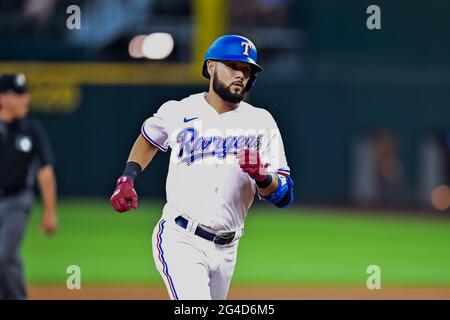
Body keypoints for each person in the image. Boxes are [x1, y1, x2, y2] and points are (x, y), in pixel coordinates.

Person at [110, 35, 294, 300]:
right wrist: (127, 178)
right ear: (210, 67)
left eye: (246, 69)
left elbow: (284, 195)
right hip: (181, 237)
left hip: (229, 248)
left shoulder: (261, 122)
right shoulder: (178, 111)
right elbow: (148, 138)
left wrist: (262, 176)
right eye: (232, 66)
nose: (240, 74)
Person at [0, 73, 58, 300]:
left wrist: (50, 211)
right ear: (3, 98)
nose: (26, 99)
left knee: (4, 256)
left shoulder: (31, 129)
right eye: (19, 94)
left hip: (17, 201)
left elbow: (45, 171)